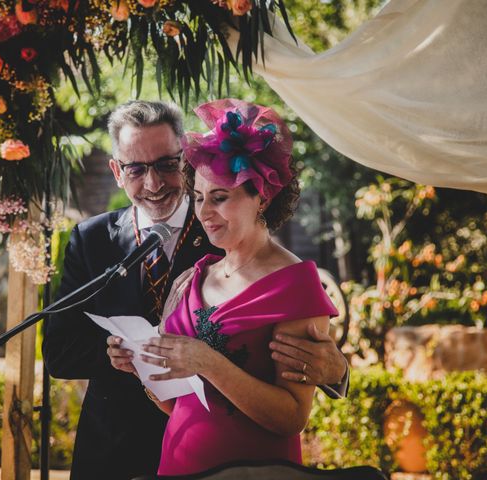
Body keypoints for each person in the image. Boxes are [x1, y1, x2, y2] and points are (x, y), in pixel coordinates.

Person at [43, 100, 348, 480]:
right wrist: (123, 357)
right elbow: (59, 351)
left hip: (233, 461)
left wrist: (338, 370)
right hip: (114, 448)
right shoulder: (90, 239)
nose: (153, 184)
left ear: (184, 162)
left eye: (167, 165)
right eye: (137, 169)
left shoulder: (224, 238)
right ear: (117, 172)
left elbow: (297, 357)